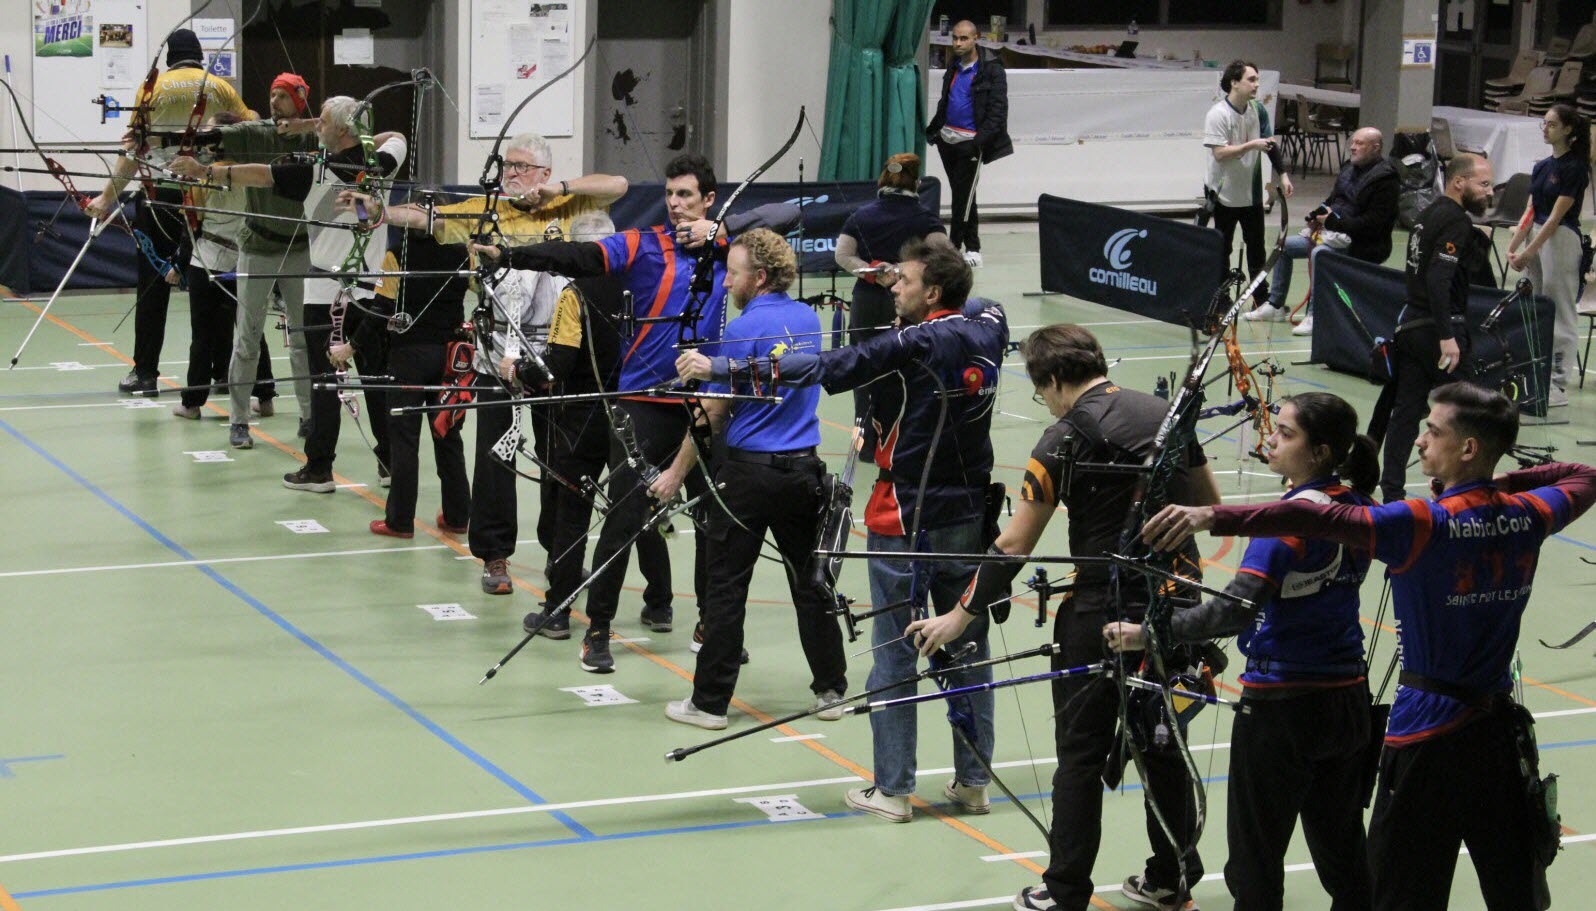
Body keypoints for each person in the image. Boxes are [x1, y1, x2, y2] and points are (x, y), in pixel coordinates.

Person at [1139, 381, 1596, 909]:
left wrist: (1211, 516)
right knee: (1514, 890)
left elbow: (1314, 517)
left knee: (1400, 892)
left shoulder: (1423, 523)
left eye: (1433, 430)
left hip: (1427, 735)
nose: (1421, 441)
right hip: (1496, 736)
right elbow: (1583, 475)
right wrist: (1496, 483)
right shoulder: (1532, 513)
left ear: (1467, 447)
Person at [681, 239, 1008, 823]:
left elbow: (821, 367)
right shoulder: (989, 323)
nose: (892, 288)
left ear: (932, 293)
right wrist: (925, 282)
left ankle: (893, 790)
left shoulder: (915, 341)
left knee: (894, 654)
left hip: (907, 517)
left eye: (903, 281)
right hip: (968, 518)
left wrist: (722, 366)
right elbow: (971, 300)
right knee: (967, 645)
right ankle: (974, 784)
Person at [903, 324, 1217, 911]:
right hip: (1176, 603)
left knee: (1079, 754)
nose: (1044, 401)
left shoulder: (1062, 439)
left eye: (1040, 389)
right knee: (1160, 739)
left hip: (1100, 611)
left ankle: (1066, 890)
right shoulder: (1167, 416)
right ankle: (1173, 879)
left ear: (1052, 380)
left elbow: (1014, 544)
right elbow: (1212, 508)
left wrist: (958, 616)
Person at [478, 153, 795, 673]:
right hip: (644, 402)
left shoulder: (725, 249)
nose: (674, 205)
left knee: (718, 523)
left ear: (708, 199)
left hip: (702, 402)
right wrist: (512, 256)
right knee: (625, 519)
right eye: (670, 195)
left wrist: (722, 228)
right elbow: (579, 256)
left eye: (686, 195)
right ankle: (597, 631)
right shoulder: (644, 244)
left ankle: (710, 627)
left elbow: (788, 215)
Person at [1103, 392, 1378, 911]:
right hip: (1346, 701)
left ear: (1320, 453)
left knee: (1254, 860)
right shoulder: (1360, 506)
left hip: (1283, 708)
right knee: (1343, 849)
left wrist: (1146, 634)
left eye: (1287, 433)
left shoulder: (1287, 524)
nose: (1270, 438)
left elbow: (1231, 611)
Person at [378, 133, 627, 593]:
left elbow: (618, 184)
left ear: (545, 175)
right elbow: (426, 217)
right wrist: (381, 213)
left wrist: (561, 190)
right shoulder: (486, 211)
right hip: (498, 356)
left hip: (557, 358)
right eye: (507, 166)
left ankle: (560, 553)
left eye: (522, 167)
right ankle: (495, 556)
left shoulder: (567, 206)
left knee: (561, 459)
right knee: (496, 457)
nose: (510, 173)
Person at [663, 229, 848, 730]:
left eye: (735, 273)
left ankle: (709, 704)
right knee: (812, 584)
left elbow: (716, 411)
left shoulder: (744, 329)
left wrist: (675, 472)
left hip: (748, 475)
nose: (725, 284)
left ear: (759, 277)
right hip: (802, 473)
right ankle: (831, 690)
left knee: (726, 587)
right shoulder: (808, 318)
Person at [173, 95, 405, 492]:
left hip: (324, 295)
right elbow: (395, 135)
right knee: (374, 378)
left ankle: (319, 470)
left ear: (343, 130)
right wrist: (331, 129)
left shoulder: (313, 173)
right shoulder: (383, 163)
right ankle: (390, 463)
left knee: (325, 382)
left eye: (323, 124)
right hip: (371, 292)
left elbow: (257, 175)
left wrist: (201, 170)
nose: (316, 128)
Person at [86, 27, 250, 397]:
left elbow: (132, 152)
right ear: (199, 56)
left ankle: (145, 375)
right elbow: (247, 128)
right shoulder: (220, 87)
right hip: (208, 199)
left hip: (162, 199)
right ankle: (221, 373)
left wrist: (105, 199)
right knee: (217, 286)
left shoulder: (152, 89)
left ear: (169, 57)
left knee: (153, 288)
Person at [1370, 153, 1494, 504]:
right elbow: (1439, 277)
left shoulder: (1428, 213)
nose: (1489, 193)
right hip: (1436, 329)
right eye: (1483, 184)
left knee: (1407, 410)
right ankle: (1464, 487)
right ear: (1459, 183)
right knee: (1471, 411)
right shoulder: (1456, 221)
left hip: (1410, 325)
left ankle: (1392, 489)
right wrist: (1447, 336)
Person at [833, 152, 953, 457]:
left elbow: (843, 255)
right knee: (907, 373)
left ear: (883, 178)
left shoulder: (862, 215)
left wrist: (874, 272)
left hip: (868, 303)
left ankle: (865, 444)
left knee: (864, 371)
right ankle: (901, 444)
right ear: (918, 182)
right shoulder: (926, 219)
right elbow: (947, 259)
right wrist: (906, 273)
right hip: (909, 305)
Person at [170, 112, 278, 421]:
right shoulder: (254, 172)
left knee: (202, 334)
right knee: (251, 328)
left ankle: (192, 403)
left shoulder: (205, 173)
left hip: (208, 260)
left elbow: (193, 219)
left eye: (209, 134)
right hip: (246, 258)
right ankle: (266, 397)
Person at [1247, 127, 1398, 336]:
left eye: (1360, 143)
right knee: (1284, 246)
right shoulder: (1348, 168)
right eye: (1352, 142)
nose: (1353, 147)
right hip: (1334, 234)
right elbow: (1333, 200)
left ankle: (1315, 315)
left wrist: (1335, 223)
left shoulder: (1386, 180)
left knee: (1320, 254)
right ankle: (1275, 305)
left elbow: (1375, 223)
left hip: (1363, 244)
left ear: (1376, 147)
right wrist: (1315, 216)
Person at [1508, 103, 1590, 408]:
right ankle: (1533, 374)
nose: (1545, 128)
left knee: (1560, 311)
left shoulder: (1575, 167)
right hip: (1535, 236)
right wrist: (1514, 246)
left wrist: (1529, 252)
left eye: (1552, 124)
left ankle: (1557, 384)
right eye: (1543, 123)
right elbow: (1531, 209)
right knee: (1533, 307)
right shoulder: (1542, 165)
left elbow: (1555, 218)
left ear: (1568, 130)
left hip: (1561, 241)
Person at [1205, 60, 1293, 312]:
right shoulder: (1218, 114)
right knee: (1223, 247)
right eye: (1251, 79)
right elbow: (1220, 153)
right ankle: (1221, 298)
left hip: (1251, 192)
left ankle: (1259, 296)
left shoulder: (1258, 110)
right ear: (1234, 82)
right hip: (1223, 192)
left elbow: (1270, 144)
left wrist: (1283, 174)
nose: (1256, 84)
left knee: (1256, 247)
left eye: (1257, 79)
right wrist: (1250, 146)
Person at [925, 19, 1012, 268]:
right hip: (947, 140)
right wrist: (935, 132)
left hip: (970, 144)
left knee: (961, 199)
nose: (958, 43)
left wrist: (978, 142)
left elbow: (998, 112)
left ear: (976, 38)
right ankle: (973, 249)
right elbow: (946, 102)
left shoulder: (992, 69)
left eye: (963, 38)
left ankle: (952, 252)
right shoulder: (953, 66)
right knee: (965, 195)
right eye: (954, 38)